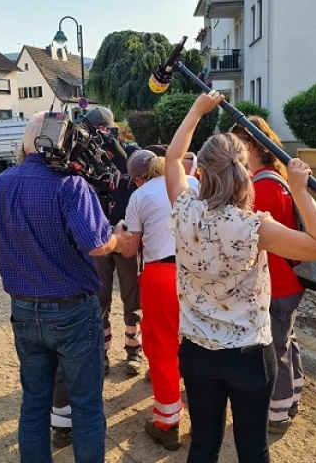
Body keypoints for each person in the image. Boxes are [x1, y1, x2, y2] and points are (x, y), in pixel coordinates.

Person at [165, 91, 316, 463]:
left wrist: (197, 110)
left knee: (203, 444)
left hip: (197, 350)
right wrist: (300, 192)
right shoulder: (254, 227)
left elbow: (172, 159)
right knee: (252, 447)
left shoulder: (185, 210)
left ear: (201, 172)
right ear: (245, 173)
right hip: (247, 352)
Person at [0, 110, 132, 463]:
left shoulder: (4, 182)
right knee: (85, 405)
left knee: (34, 402)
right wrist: (117, 240)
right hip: (71, 308)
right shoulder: (71, 185)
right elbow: (96, 244)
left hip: (23, 307)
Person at [231, 117, 307, 434]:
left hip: (277, 281)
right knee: (286, 341)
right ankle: (293, 395)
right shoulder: (277, 178)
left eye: (236, 149)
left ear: (250, 147)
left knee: (276, 347)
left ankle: (277, 414)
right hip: (289, 278)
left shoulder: (262, 187)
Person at [120, 149, 199, 451]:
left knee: (163, 346)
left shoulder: (140, 196)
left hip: (162, 275)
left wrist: (118, 233)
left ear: (141, 178)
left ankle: (167, 422)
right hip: (200, 271)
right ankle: (205, 417)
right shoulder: (194, 183)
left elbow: (130, 250)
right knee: (200, 343)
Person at [86, 108, 144, 377]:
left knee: (133, 295)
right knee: (100, 297)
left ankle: (134, 349)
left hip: (130, 236)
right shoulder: (86, 158)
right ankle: (103, 351)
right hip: (99, 237)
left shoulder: (132, 156)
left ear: (114, 130)